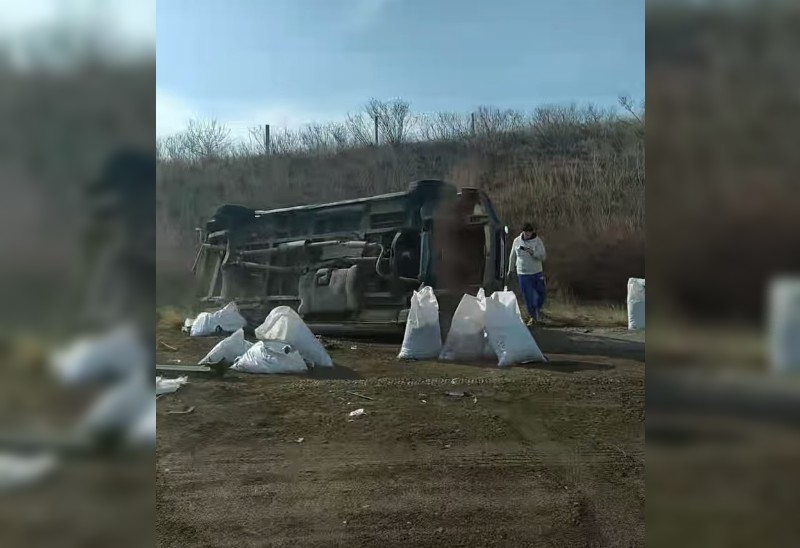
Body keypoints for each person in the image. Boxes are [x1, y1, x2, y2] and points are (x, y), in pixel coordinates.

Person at [507, 222, 547, 325]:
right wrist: (510, 269)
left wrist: (533, 253)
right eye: (525, 232)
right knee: (528, 297)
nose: (527, 235)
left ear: (532, 232)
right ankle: (533, 317)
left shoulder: (537, 241)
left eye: (529, 233)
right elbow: (512, 256)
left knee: (542, 294)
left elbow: (543, 256)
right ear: (523, 232)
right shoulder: (517, 241)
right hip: (523, 273)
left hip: (537, 272)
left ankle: (538, 309)